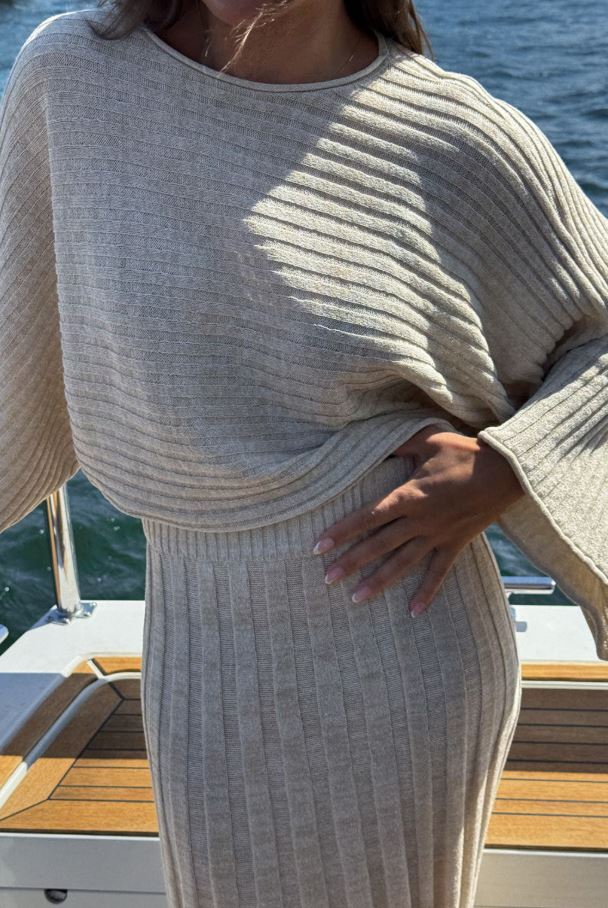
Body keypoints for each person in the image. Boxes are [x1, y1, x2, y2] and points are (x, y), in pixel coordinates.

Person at [1, 1, 607, 906]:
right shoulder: (75, 73)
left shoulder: (451, 133)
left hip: (400, 637)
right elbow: (15, 337)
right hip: (196, 636)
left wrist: (507, 466)